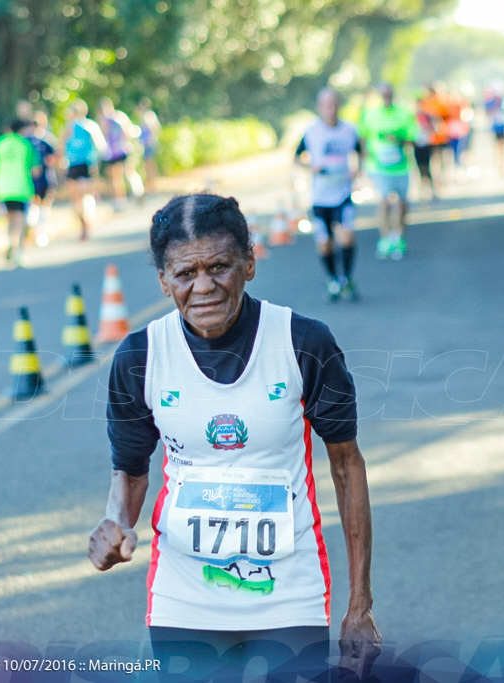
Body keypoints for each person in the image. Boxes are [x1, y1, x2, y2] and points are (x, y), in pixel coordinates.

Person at [89, 193, 381, 681]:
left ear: (249, 262)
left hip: (289, 592)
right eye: (185, 274)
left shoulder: (303, 342)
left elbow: (347, 467)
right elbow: (130, 472)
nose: (203, 286)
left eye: (219, 266)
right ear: (164, 280)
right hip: (184, 597)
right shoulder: (140, 357)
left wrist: (360, 603)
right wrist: (115, 523)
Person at [295, 88, 363, 302]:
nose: (330, 109)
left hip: (342, 194)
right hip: (320, 198)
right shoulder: (312, 132)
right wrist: (311, 167)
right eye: (326, 105)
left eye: (334, 104)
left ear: (339, 105)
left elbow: (361, 152)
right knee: (325, 243)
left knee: (347, 235)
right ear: (319, 108)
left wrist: (357, 168)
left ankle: (346, 279)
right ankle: (332, 279)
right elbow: (297, 158)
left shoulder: (350, 130)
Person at [359, 83, 418, 260]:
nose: (385, 98)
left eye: (388, 95)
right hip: (378, 166)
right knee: (384, 201)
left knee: (402, 204)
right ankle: (385, 238)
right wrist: (364, 154)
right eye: (382, 95)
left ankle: (398, 237)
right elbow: (362, 136)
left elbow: (414, 139)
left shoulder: (404, 114)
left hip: (401, 167)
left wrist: (399, 140)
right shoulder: (370, 114)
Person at [0, 119, 40, 266]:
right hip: (21, 188)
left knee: (10, 218)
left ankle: (10, 243)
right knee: (20, 220)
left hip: (2, 189)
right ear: (22, 130)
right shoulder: (26, 144)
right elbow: (36, 170)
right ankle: (18, 252)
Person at [59, 100, 107, 240]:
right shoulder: (73, 127)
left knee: (81, 197)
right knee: (80, 198)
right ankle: (85, 223)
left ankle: (86, 222)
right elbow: (62, 145)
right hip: (80, 165)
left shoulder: (87, 126)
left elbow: (100, 145)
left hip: (83, 164)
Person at [97, 97, 142, 211]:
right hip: (124, 149)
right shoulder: (120, 116)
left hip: (112, 152)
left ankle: (120, 200)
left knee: (116, 177)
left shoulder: (105, 120)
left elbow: (104, 135)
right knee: (129, 171)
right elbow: (129, 131)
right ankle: (138, 190)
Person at [26, 111, 59, 242]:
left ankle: (36, 231)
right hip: (44, 177)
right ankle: (38, 232)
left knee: (37, 205)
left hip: (37, 178)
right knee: (43, 205)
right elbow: (56, 156)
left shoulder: (26, 140)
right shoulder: (47, 139)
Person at [135, 97, 163, 195]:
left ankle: (152, 188)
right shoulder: (149, 115)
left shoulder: (146, 116)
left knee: (149, 166)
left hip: (148, 145)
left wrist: (149, 141)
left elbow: (153, 129)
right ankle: (151, 187)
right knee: (149, 166)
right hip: (148, 144)